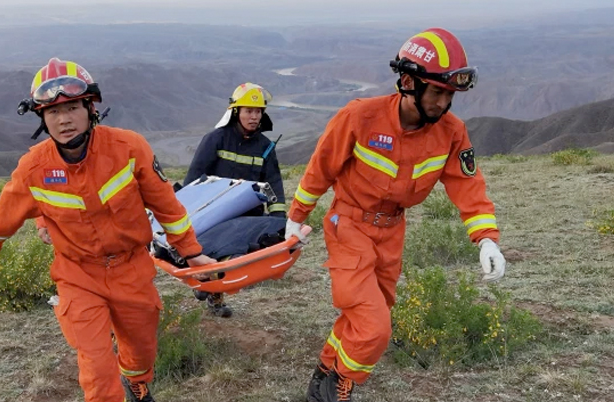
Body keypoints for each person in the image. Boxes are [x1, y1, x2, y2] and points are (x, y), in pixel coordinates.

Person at [283, 28, 507, 402]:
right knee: (374, 327)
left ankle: (324, 373)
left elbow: (469, 187)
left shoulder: (452, 133)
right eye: (437, 92)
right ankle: (340, 387)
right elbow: (319, 169)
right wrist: (296, 217)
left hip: (392, 234)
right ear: (407, 82)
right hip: (348, 226)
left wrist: (486, 239)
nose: (444, 103)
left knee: (364, 317)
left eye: (450, 94)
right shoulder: (360, 117)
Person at [0, 58, 216, 402]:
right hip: (78, 275)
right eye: (53, 112)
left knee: (142, 348)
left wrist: (191, 252)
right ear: (42, 119)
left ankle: (137, 384)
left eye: (72, 107)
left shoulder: (129, 149)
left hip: (132, 269)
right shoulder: (34, 168)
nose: (64, 119)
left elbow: (167, 206)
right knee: (97, 363)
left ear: (90, 108)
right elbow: (5, 213)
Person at [182, 82, 287, 318]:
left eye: (258, 111)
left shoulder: (266, 147)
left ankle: (212, 290)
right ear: (236, 111)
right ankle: (210, 291)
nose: (254, 116)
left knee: (232, 256)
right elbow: (194, 178)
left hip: (247, 215)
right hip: (214, 211)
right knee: (212, 252)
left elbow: (274, 182)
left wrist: (279, 218)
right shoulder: (216, 139)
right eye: (249, 111)